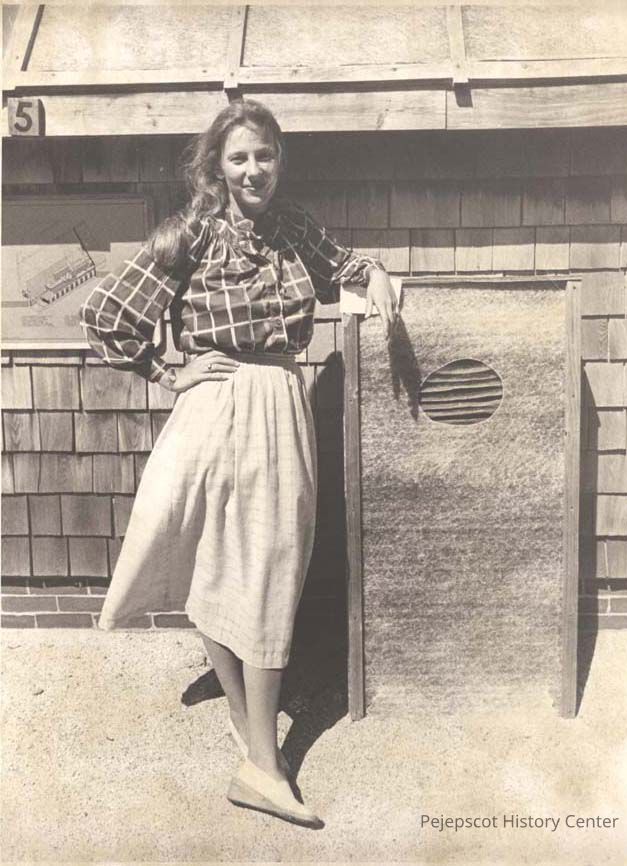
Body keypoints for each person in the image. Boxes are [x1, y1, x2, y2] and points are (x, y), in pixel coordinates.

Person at [80, 98, 398, 829]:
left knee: (268, 568)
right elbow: (106, 315)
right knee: (224, 565)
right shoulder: (189, 232)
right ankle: (261, 762)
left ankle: (246, 723)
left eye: (264, 155)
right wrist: (168, 371)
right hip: (216, 408)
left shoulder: (294, 227)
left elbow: (344, 268)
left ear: (279, 160)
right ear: (217, 167)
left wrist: (375, 271)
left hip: (280, 403)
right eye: (239, 157)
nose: (254, 169)